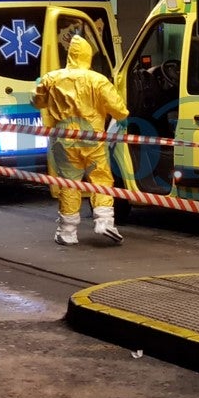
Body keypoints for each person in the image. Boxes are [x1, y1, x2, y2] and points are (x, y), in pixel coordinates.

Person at [31, 34, 129, 246]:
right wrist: (122, 119)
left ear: (69, 55)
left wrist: (40, 86)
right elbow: (119, 109)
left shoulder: (51, 78)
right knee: (101, 178)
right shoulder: (98, 79)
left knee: (70, 183)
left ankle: (67, 232)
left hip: (63, 139)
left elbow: (37, 102)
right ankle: (104, 221)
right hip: (92, 136)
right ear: (87, 56)